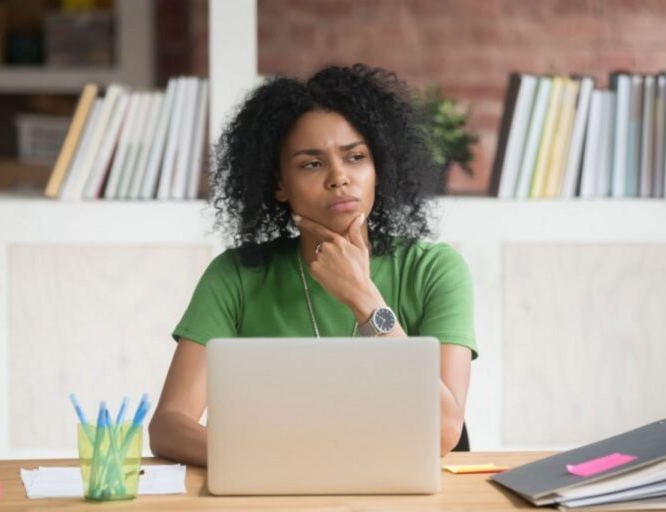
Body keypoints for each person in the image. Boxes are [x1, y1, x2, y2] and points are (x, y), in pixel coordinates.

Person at [149, 63, 478, 467]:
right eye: (311, 164)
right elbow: (168, 426)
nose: (339, 178)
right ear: (279, 185)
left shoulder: (435, 270)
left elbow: (445, 431)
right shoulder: (235, 276)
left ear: (379, 169)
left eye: (356, 157)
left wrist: (363, 297)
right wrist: (269, 464)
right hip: (273, 494)